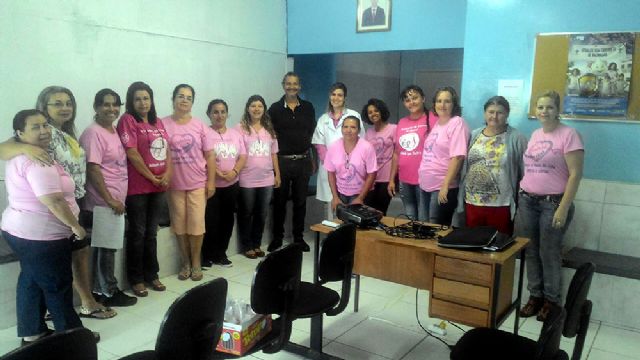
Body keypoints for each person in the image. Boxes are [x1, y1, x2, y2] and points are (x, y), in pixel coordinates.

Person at [0, 86, 119, 321]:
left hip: (72, 201)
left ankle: (79, 304)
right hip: (50, 213)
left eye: (68, 103)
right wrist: (24, 146)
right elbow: (3, 149)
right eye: (57, 103)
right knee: (60, 268)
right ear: (44, 107)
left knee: (79, 254)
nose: (65, 108)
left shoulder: (66, 133)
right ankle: (73, 310)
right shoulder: (39, 134)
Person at [2, 109, 86, 344]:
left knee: (30, 279)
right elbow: (54, 200)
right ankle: (72, 337)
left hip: (21, 232)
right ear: (20, 133)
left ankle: (32, 333)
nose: (43, 131)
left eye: (45, 126)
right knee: (57, 285)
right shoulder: (38, 160)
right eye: (35, 127)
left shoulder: (21, 154)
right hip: (42, 236)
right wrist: (76, 226)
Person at [516, 90, 584, 322]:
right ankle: (535, 296)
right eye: (540, 107)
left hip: (552, 203)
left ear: (558, 110)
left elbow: (575, 175)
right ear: (536, 111)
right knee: (531, 251)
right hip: (527, 200)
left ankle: (552, 301)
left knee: (549, 253)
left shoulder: (569, 135)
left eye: (550, 107)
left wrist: (563, 207)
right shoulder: (535, 134)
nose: (544, 111)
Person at [78, 89, 137, 307]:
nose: (111, 109)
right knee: (105, 251)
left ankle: (102, 290)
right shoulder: (93, 133)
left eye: (115, 104)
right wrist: (110, 199)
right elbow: (93, 169)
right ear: (96, 107)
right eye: (106, 104)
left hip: (114, 202)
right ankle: (109, 292)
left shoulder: (112, 130)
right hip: (101, 204)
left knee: (107, 248)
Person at [117, 81, 171, 297]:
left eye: (146, 98)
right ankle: (136, 279)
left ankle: (152, 274)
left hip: (159, 186)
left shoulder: (158, 122)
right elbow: (132, 153)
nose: (142, 102)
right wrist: (152, 177)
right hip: (138, 188)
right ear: (131, 101)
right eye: (137, 99)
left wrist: (166, 175)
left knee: (152, 232)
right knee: (138, 233)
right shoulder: (127, 120)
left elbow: (168, 151)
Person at [162, 84, 216, 281]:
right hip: (173, 185)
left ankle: (196, 262)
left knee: (196, 225)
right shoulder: (162, 124)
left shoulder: (200, 125)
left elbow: (210, 156)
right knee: (179, 226)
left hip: (197, 183)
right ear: (173, 98)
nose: (184, 100)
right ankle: (184, 262)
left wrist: (211, 183)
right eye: (180, 96)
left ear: (192, 102)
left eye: (188, 97)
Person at [454, 96, 527, 234]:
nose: (494, 116)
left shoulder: (516, 138)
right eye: (491, 112)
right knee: (474, 244)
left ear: (507, 114)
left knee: (498, 246)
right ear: (484, 113)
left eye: (500, 112)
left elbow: (525, 171)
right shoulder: (474, 134)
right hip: (473, 201)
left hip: (501, 204)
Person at [268, 72, 316, 253]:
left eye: (295, 84)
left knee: (300, 202)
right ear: (283, 85)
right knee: (279, 202)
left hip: (303, 161)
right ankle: (277, 238)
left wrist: (313, 159)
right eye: (288, 84)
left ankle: (298, 238)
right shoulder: (274, 109)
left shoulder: (308, 107)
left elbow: (311, 135)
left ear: (299, 86)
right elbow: (270, 137)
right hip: (282, 162)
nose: (292, 87)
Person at [202, 99, 246, 267]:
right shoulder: (204, 133)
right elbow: (202, 158)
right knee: (210, 221)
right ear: (209, 114)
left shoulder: (235, 134)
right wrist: (217, 173)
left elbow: (243, 156)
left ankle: (221, 254)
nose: (219, 115)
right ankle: (206, 256)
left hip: (232, 185)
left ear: (227, 114)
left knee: (227, 221)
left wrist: (234, 172)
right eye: (215, 112)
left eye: (222, 112)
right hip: (212, 186)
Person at [236, 95, 280, 259]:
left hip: (267, 178)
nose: (256, 109)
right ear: (248, 108)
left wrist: (277, 174)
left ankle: (256, 244)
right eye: (253, 106)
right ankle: (246, 245)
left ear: (264, 109)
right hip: (247, 177)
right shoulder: (240, 128)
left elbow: (274, 154)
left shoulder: (269, 129)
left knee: (262, 213)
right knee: (246, 212)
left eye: (260, 106)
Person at [418, 86, 470, 225]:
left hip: (442, 187)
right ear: (434, 104)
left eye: (447, 101)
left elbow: (458, 157)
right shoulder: (437, 124)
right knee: (424, 228)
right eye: (439, 101)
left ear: (454, 104)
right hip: (425, 185)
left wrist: (445, 185)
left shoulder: (457, 122)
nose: (442, 105)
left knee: (436, 230)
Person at [311, 82, 363, 219]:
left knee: (351, 208)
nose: (336, 98)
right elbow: (319, 144)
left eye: (340, 95)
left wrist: (346, 163)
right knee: (332, 206)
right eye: (333, 94)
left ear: (345, 97)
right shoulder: (323, 119)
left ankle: (348, 237)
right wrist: (331, 163)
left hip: (350, 168)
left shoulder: (354, 115)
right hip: (330, 169)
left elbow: (361, 142)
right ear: (329, 97)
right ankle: (332, 238)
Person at [388, 85, 438, 221]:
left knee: (424, 220)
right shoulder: (402, 122)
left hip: (424, 180)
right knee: (410, 219)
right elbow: (397, 153)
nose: (411, 102)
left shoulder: (434, 119)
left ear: (423, 98)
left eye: (415, 98)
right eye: (407, 100)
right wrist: (392, 179)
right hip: (404, 180)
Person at [325, 116, 377, 211]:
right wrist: (335, 197)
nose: (348, 130)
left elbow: (372, 174)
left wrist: (360, 198)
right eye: (345, 127)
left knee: (358, 224)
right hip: (340, 194)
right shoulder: (333, 147)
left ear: (359, 130)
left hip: (361, 194)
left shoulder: (367, 147)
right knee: (340, 223)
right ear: (341, 129)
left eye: (353, 127)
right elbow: (330, 173)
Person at [362, 98, 396, 215]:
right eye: (370, 112)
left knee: (380, 212)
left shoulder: (393, 129)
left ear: (381, 110)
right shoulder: (369, 132)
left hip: (386, 178)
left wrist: (393, 180)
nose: (373, 114)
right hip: (371, 178)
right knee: (368, 210)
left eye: (376, 110)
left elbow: (398, 154)